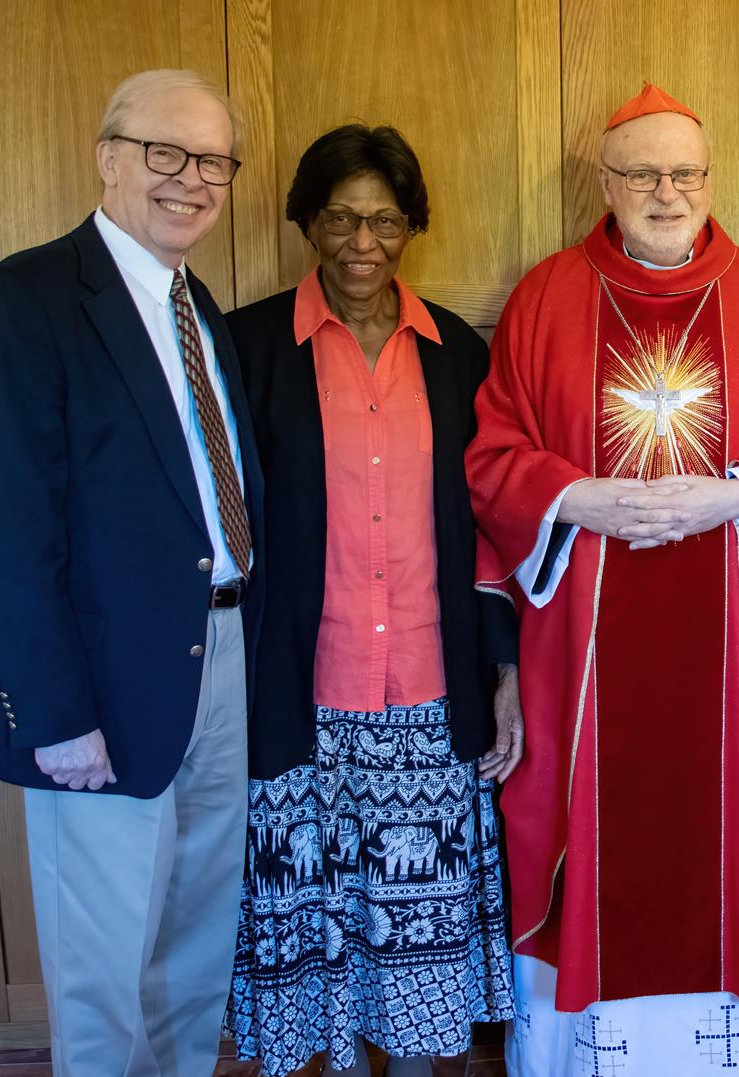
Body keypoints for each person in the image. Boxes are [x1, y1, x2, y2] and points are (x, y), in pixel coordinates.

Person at [465, 82, 739, 1077]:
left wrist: (738, 497)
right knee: (587, 826)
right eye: (643, 172)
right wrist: (575, 499)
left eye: (685, 172)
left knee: (737, 831)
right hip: (586, 660)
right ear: (603, 181)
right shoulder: (548, 297)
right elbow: (493, 453)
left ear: (709, 177)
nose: (666, 190)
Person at [0, 69, 260, 1076]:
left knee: (194, 948)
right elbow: (7, 528)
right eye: (165, 152)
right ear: (108, 157)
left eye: (213, 159)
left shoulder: (196, 303)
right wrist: (52, 712)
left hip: (220, 656)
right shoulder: (28, 296)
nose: (192, 179)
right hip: (99, 688)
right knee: (103, 965)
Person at [223, 125, 521, 1077]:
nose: (362, 241)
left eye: (385, 221)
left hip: (430, 693)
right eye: (341, 217)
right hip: (296, 690)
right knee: (314, 919)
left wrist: (504, 666)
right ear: (307, 221)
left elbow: (494, 525)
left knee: (418, 917)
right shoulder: (248, 346)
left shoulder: (456, 353)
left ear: (411, 229)